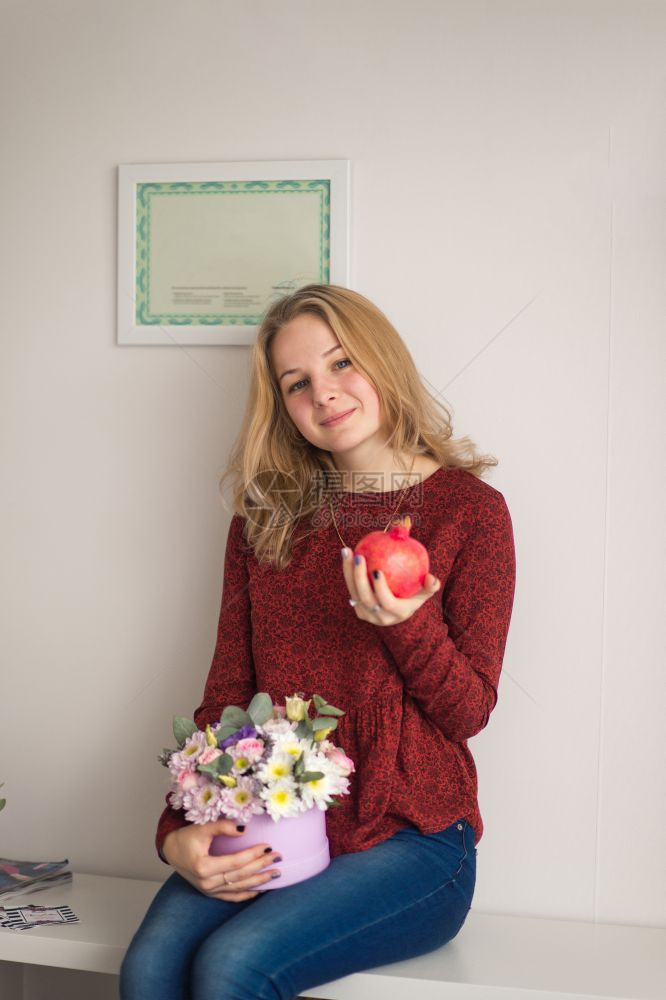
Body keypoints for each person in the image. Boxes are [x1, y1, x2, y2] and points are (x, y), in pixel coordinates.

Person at [119, 284, 516, 1000]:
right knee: (148, 970)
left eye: (340, 364)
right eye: (297, 382)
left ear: (382, 362)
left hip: (415, 842)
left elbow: (468, 711)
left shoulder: (471, 514)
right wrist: (175, 831)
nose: (324, 393)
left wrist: (406, 628)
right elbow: (226, 699)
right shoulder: (264, 523)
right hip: (276, 823)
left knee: (231, 967)